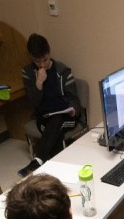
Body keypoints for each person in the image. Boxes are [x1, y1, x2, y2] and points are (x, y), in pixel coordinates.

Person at [17, 33, 82, 178]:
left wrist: (73, 109)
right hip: (44, 117)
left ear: (49, 53)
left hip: (67, 117)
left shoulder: (63, 71)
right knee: (55, 132)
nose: (42, 65)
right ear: (30, 57)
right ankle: (58, 174)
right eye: (37, 61)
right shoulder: (28, 72)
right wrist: (38, 83)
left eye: (45, 60)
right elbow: (34, 104)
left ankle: (38, 162)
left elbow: (75, 101)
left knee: (57, 120)